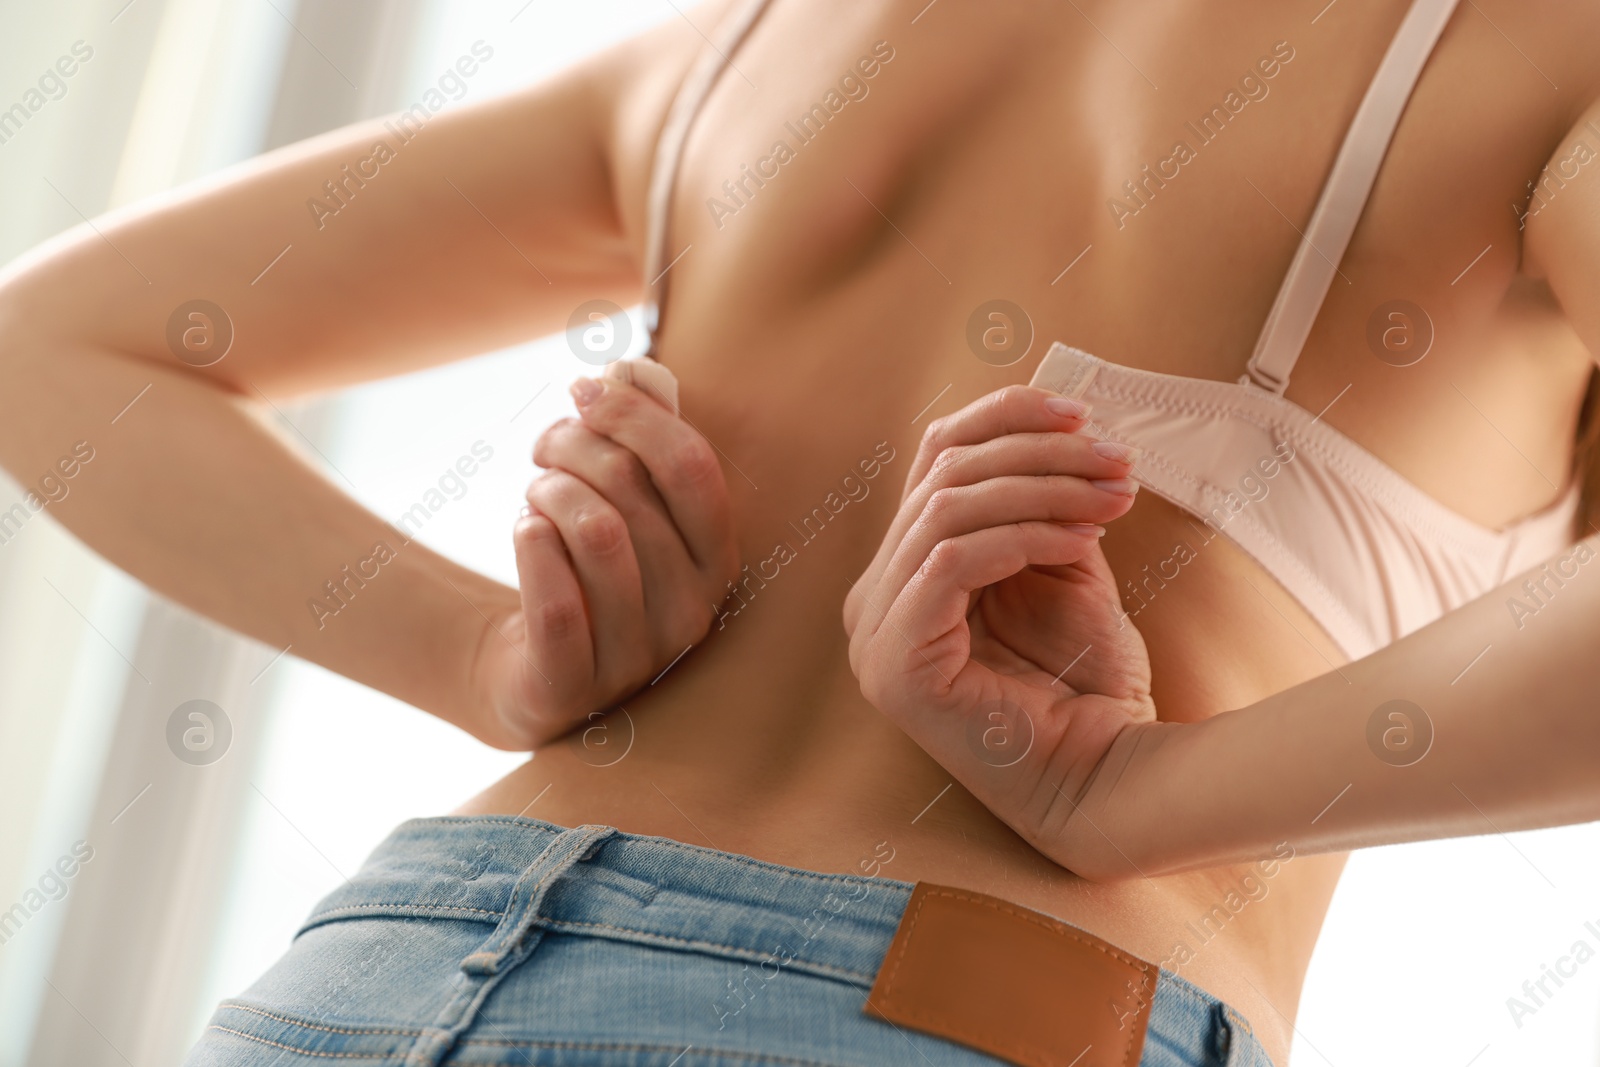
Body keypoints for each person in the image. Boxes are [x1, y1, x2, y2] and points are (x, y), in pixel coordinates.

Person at [0, 0, 1596, 1063]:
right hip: (962, 1005)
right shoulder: (1545, 64)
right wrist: (1130, 792)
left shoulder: (760, 37)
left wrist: (491, 661)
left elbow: (53, 344)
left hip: (378, 971)